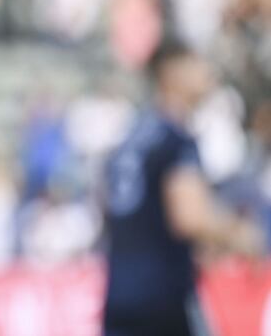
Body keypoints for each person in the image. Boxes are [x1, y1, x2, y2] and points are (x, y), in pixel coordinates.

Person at [103, 41, 263, 336]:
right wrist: (242, 235)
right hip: (162, 300)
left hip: (120, 294)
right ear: (172, 73)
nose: (207, 74)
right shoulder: (175, 140)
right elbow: (190, 217)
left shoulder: (130, 138)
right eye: (197, 64)